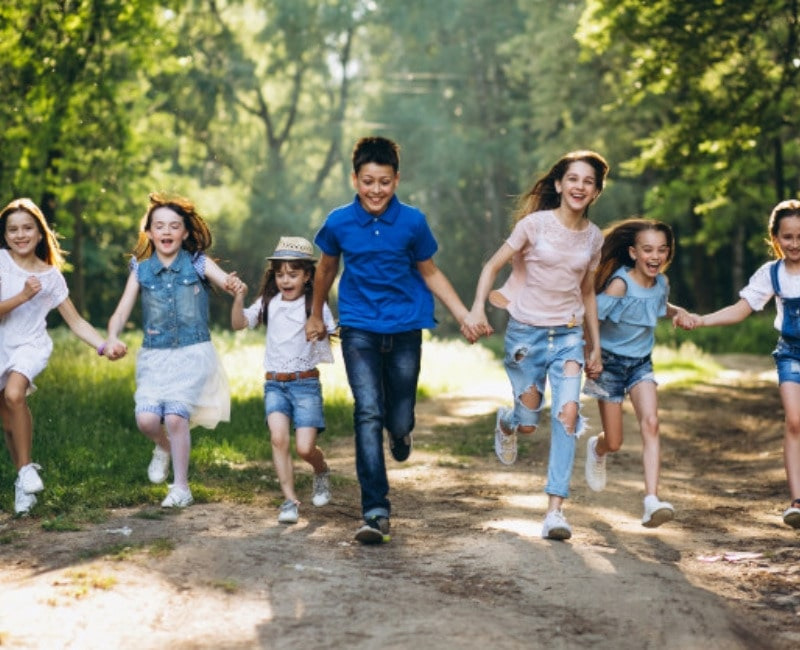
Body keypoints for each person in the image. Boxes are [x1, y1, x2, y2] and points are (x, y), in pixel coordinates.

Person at [305, 136, 482, 544]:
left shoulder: (413, 222)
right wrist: (316, 314)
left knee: (397, 415)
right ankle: (375, 511)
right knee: (367, 411)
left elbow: (430, 272)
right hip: (359, 327)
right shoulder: (338, 222)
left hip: (404, 328)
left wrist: (464, 315)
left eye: (384, 182)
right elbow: (327, 269)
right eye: (368, 181)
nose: (376, 190)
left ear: (396, 180)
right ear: (354, 178)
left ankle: (400, 434)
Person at [463, 150, 608, 541]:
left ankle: (555, 512)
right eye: (573, 179)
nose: (580, 186)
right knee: (529, 424)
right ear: (559, 184)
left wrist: (594, 346)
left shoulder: (594, 237)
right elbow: (492, 266)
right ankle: (508, 422)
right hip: (526, 335)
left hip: (568, 336)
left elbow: (588, 292)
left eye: (588, 182)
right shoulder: (534, 225)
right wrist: (477, 308)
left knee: (567, 416)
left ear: (595, 192)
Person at [105, 192, 242, 508]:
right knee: (147, 421)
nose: (166, 232)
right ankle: (163, 446)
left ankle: (181, 487)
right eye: (159, 226)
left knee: (177, 417)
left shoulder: (198, 263)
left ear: (185, 233)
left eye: (174, 226)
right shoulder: (140, 271)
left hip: (193, 354)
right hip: (156, 357)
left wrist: (234, 286)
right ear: (150, 233)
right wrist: (112, 336)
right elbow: (122, 312)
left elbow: (225, 281)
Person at [0, 198, 125, 515]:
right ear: (5, 235)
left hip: (30, 344)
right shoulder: (1, 262)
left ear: (40, 234)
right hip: (2, 342)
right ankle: (22, 481)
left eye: (28, 228)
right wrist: (22, 296)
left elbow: (76, 321)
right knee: (8, 420)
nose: (20, 234)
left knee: (15, 394)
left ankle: (27, 469)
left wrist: (102, 346)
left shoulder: (51, 277)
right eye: (13, 229)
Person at [683, 199, 800, 529]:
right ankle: (797, 501)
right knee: (795, 421)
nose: (795, 244)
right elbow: (739, 309)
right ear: (775, 238)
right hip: (791, 353)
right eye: (788, 237)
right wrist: (701, 320)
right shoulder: (771, 274)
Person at [582, 218, 692, 527]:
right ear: (633, 252)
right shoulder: (619, 284)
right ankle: (598, 447)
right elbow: (590, 316)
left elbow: (658, 303)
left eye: (662, 250)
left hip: (641, 364)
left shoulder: (661, 284)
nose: (655, 257)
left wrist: (677, 311)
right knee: (614, 442)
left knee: (651, 423)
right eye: (647, 250)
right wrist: (592, 354)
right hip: (610, 365)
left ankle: (651, 501)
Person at [232, 236, 336, 525]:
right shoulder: (269, 302)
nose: (285, 280)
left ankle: (321, 470)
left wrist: (321, 332)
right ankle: (289, 501)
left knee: (305, 448)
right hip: (275, 383)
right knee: (278, 439)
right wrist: (239, 298)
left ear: (307, 276)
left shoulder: (314, 305)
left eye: (293, 274)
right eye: (280, 274)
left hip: (305, 384)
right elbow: (238, 323)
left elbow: (329, 329)